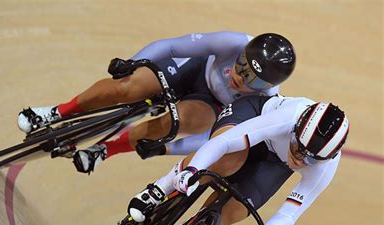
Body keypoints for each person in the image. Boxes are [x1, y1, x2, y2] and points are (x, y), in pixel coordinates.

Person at [17, 32, 296, 173]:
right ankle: (57, 112)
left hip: (210, 106)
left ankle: (106, 149)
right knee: (128, 88)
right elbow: (173, 46)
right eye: (242, 65)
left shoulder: (265, 103)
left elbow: (213, 142)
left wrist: (166, 148)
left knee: (175, 123)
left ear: (268, 88)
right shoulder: (231, 41)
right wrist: (134, 61)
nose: (240, 77)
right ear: (243, 52)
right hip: (194, 71)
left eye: (254, 81)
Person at [127, 94, 349, 225]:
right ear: (295, 131)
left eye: (311, 161)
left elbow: (290, 213)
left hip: (274, 163)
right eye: (298, 149)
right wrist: (193, 170)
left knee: (233, 211)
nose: (300, 161)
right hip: (253, 117)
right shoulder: (287, 118)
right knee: (227, 161)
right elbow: (224, 143)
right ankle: (159, 189)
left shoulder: (326, 166)